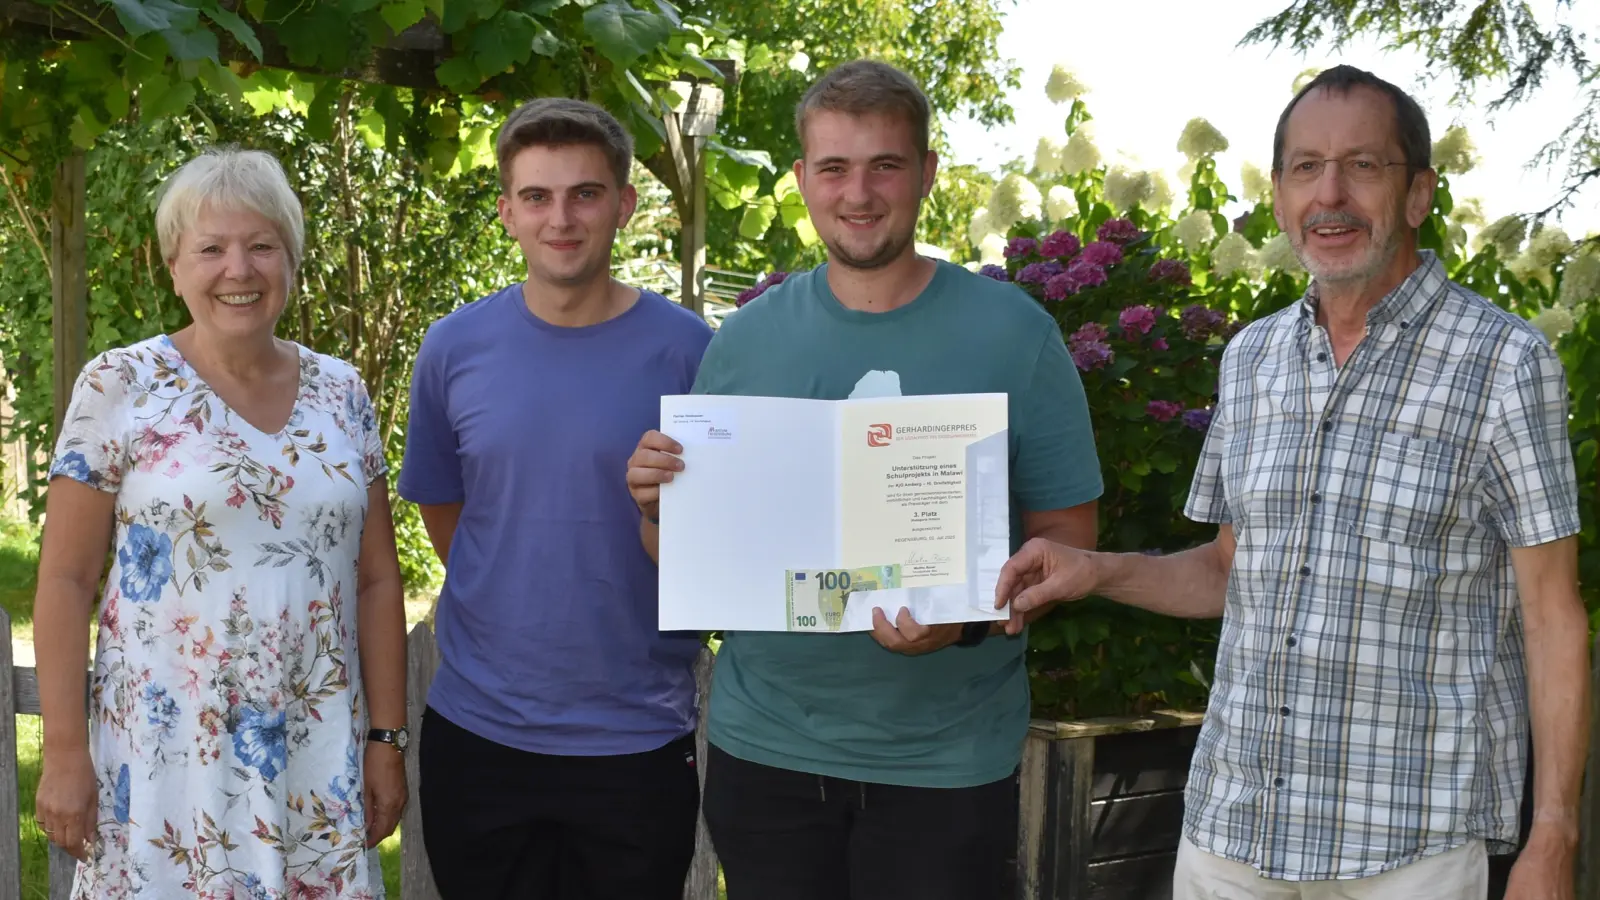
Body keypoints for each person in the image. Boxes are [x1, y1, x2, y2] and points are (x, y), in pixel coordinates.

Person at [997, 65, 1590, 899]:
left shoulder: (1505, 363)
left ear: (1418, 194)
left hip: (1408, 848)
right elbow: (1228, 570)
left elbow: (1552, 616)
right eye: (1306, 167)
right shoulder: (1253, 357)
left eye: (1364, 166)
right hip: (1232, 835)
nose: (1331, 193)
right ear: (1279, 195)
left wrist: (1554, 834)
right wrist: (1093, 571)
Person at [624, 60, 1102, 900]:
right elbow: (683, 556)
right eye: (835, 167)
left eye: (885, 164)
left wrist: (961, 620)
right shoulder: (746, 340)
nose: (859, 192)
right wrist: (658, 505)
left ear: (926, 173)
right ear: (804, 178)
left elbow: (1069, 541)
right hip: (766, 750)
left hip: (946, 758)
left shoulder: (1015, 335)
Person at [31, 148, 408, 898]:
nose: (239, 269)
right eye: (211, 248)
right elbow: (66, 580)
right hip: (164, 757)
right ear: (174, 266)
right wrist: (67, 754)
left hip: (312, 750)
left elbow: (375, 581)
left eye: (262, 245)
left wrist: (385, 742)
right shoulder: (120, 383)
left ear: (291, 262)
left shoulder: (343, 392)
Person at [398, 97, 712, 899]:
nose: (560, 217)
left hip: (637, 736)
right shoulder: (453, 349)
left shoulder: (693, 352)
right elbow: (450, 520)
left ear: (625, 204)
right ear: (506, 211)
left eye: (585, 193)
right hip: (481, 732)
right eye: (536, 196)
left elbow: (711, 538)